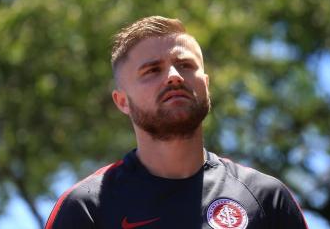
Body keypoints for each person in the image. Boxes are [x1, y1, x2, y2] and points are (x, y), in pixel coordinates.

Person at [45, 16, 309, 229]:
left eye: (185, 65)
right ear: (122, 101)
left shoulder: (265, 197)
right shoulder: (86, 207)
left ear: (206, 85)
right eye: (152, 70)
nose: (174, 76)